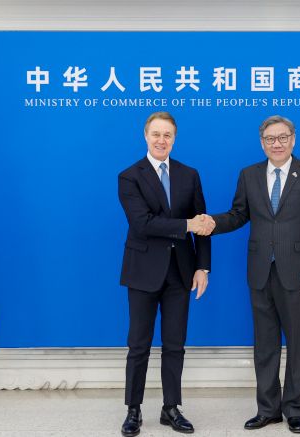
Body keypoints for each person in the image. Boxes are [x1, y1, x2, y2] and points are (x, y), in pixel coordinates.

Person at [205, 115, 300, 434]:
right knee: (264, 344)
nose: (277, 143)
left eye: (283, 137)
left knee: (297, 343)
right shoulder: (249, 175)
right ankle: (268, 409)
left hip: (299, 272)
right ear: (262, 143)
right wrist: (212, 223)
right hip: (260, 270)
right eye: (271, 139)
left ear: (293, 139)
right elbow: (238, 215)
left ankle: (295, 410)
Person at [117, 111, 213, 436]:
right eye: (156, 134)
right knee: (138, 345)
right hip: (143, 271)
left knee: (175, 344)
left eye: (167, 135)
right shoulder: (129, 176)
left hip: (180, 273)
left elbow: (203, 225)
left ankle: (171, 408)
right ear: (145, 136)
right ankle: (133, 410)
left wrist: (202, 266)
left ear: (174, 138)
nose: (161, 140)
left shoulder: (189, 174)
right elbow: (142, 223)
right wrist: (186, 225)